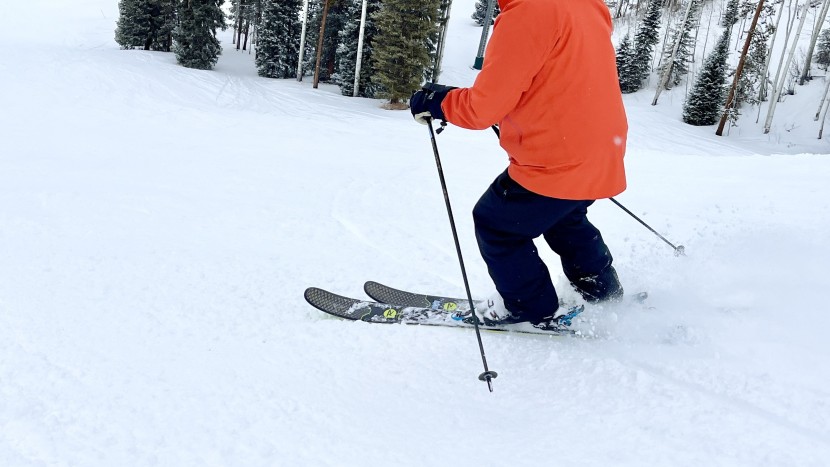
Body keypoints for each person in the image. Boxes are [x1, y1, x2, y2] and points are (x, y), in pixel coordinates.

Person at [408, 0, 627, 326]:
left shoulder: (528, 13)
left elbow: (483, 109)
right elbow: (553, 76)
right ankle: (602, 292)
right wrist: (456, 95)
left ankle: (529, 308)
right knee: (563, 217)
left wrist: (437, 102)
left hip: (556, 157)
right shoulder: (585, 4)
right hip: (600, 146)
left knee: (497, 223)